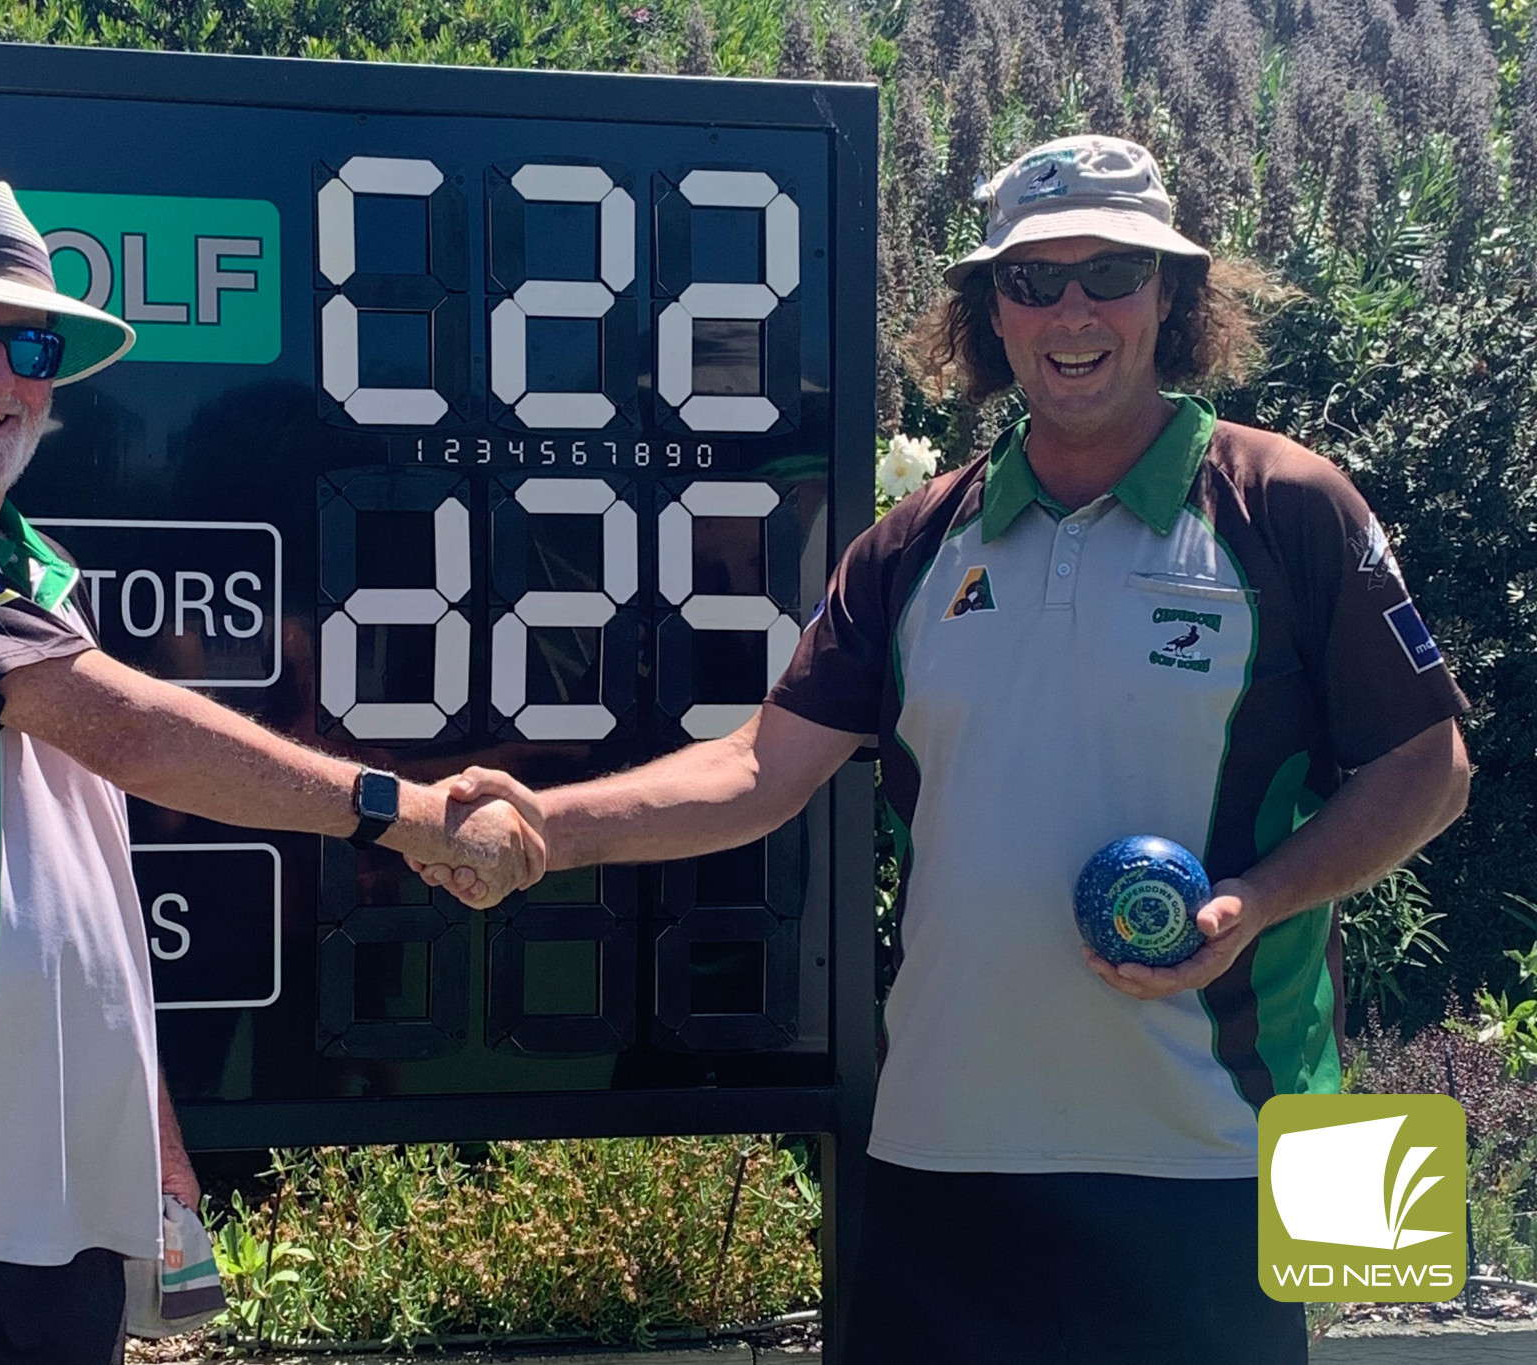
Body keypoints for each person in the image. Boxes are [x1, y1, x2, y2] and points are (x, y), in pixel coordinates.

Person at [418, 136, 1471, 1363]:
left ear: (1172, 296)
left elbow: (1428, 766)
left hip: (1225, 1150)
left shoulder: (1287, 504)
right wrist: (546, 824)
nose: (1069, 310)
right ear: (988, 313)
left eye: (1109, 271)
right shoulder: (912, 542)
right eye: (1030, 281)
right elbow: (757, 770)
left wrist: (1256, 898)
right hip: (938, 1150)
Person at [0, 177, 543, 1365]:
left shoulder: (38, 575)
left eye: (30, 343)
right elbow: (129, 732)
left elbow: (90, 880)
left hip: (57, 1216)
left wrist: (149, 1138)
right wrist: (399, 812)